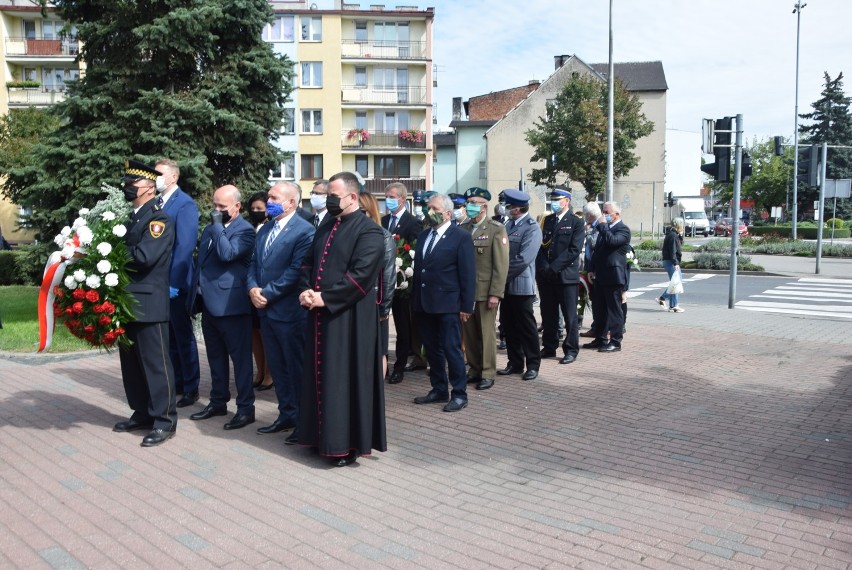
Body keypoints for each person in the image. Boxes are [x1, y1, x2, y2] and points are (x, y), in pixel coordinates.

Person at [296, 171, 386, 466]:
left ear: (351, 197)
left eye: (332, 195)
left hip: (349, 319)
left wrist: (326, 298)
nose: (327, 200)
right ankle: (317, 437)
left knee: (342, 379)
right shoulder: (325, 227)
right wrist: (306, 291)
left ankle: (344, 445)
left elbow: (361, 277)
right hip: (319, 314)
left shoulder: (369, 231)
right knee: (318, 376)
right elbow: (307, 263)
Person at [113, 159, 177, 447]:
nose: (128, 188)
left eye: (133, 184)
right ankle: (141, 412)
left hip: (149, 304)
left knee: (155, 365)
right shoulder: (132, 218)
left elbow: (143, 258)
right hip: (128, 301)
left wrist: (109, 252)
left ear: (149, 188)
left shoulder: (158, 220)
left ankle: (164, 420)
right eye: (126, 183)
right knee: (132, 365)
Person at [247, 182, 315, 435]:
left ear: (291, 203)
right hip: (266, 311)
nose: (269, 201)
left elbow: (296, 271)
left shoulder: (304, 231)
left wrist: (266, 293)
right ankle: (286, 414)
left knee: (294, 368)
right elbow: (253, 263)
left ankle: (302, 421)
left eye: (274, 197)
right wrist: (252, 288)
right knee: (277, 367)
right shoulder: (265, 229)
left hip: (289, 313)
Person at [188, 185, 257, 430]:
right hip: (208, 302)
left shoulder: (246, 231)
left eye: (222, 207)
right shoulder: (210, 229)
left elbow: (228, 254)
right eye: (214, 206)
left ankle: (246, 408)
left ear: (237, 207)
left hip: (233, 305)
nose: (216, 211)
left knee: (240, 360)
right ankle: (218, 401)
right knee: (215, 357)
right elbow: (202, 262)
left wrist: (218, 227)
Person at [412, 193, 476, 411]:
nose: (429, 212)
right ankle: (439, 389)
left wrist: (467, 306)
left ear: (447, 214)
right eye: (428, 207)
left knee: (452, 349)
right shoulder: (424, 236)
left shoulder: (460, 237)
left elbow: (467, 274)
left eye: (434, 209)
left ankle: (459, 394)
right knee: (432, 350)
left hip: (449, 304)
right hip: (424, 303)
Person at [154, 158, 201, 408]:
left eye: (159, 174)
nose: (155, 178)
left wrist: (175, 282)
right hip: (157, 281)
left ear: (174, 177)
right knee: (168, 337)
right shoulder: (156, 202)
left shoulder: (184, 204)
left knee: (182, 336)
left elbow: (185, 246)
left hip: (176, 281)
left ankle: (191, 387)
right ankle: (178, 382)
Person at [459, 187, 508, 391]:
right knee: (469, 334)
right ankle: (474, 369)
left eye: (473, 202)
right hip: (465, 292)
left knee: (486, 334)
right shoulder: (462, 228)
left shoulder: (496, 229)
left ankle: (488, 372)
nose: (469, 206)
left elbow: (501, 264)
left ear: (484, 206)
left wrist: (495, 293)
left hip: (485, 291)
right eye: (468, 202)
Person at [497, 189, 543, 381]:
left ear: (516, 208)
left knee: (526, 327)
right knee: (508, 325)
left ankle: (533, 364)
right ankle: (515, 363)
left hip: (520, 285)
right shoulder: (507, 225)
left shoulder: (532, 227)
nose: (505, 209)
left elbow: (524, 258)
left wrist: (501, 276)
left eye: (507, 206)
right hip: (505, 285)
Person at [536, 188, 585, 365]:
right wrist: (544, 268)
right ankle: (549, 346)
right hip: (547, 277)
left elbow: (574, 250)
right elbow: (540, 246)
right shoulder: (547, 220)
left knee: (569, 315)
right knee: (548, 314)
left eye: (558, 199)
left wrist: (554, 267)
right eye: (552, 199)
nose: (554, 202)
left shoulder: (576, 221)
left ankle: (571, 349)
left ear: (567, 201)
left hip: (565, 276)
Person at [382, 182, 425, 384]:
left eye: (391, 196)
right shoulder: (382, 221)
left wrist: (404, 270)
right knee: (381, 326)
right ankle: (381, 364)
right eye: (386, 196)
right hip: (382, 283)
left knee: (402, 327)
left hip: (402, 284)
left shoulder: (412, 222)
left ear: (402, 199)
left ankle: (399, 366)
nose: (387, 200)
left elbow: (415, 252)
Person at [584, 201, 631, 353]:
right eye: (603, 212)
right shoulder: (604, 229)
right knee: (599, 309)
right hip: (600, 275)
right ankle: (600, 338)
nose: (604, 215)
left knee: (614, 310)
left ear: (617, 214)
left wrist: (603, 226)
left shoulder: (623, 230)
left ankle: (616, 341)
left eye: (607, 212)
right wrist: (590, 269)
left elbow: (612, 242)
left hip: (613, 276)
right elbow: (596, 251)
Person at [359, 191, 396, 378]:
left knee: (379, 349)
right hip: (353, 301)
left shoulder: (383, 236)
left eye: (361, 210)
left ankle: (377, 392)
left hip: (374, 300)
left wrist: (383, 308)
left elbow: (388, 275)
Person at [246, 192, 273, 390]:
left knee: (266, 333)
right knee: (254, 331)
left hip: (266, 288)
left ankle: (270, 373)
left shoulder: (271, 227)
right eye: (253, 209)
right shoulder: (250, 228)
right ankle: (260, 370)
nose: (256, 212)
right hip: (250, 286)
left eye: (259, 209)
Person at [658, 217, 685, 313]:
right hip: (671, 261)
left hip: (669, 261)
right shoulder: (673, 235)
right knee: (676, 282)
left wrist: (681, 236)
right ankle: (673, 305)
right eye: (682, 224)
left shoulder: (673, 234)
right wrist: (675, 263)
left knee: (676, 282)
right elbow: (673, 250)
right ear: (679, 225)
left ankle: (667, 301)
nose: (683, 226)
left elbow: (679, 245)